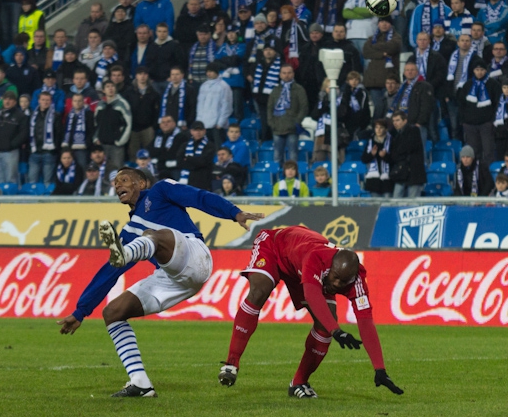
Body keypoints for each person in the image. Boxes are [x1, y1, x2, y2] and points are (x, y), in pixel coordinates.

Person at [57, 167, 262, 396]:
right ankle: (140, 383)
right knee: (113, 312)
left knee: (153, 235)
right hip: (172, 278)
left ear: (141, 183)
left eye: (124, 180)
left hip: (194, 255)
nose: (118, 186)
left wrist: (233, 213)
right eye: (115, 184)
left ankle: (125, 254)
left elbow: (198, 197)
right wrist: (81, 311)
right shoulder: (129, 231)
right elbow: (109, 272)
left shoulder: (161, 191)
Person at [219, 226, 403, 398]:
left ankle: (299, 383)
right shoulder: (316, 258)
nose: (338, 285)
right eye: (336, 278)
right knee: (260, 290)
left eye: (343, 282)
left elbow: (365, 320)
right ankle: (231, 363)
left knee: (325, 323)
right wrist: (336, 330)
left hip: (298, 263)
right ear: (331, 268)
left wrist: (380, 368)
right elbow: (312, 294)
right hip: (274, 246)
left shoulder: (357, 280)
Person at [457, 58, 500, 164]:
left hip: (486, 124)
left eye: (482, 70)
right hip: (470, 125)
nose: (479, 72)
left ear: (486, 71)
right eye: (477, 70)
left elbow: (497, 104)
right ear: (473, 71)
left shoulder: (493, 84)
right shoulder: (467, 85)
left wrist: (492, 121)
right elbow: (461, 104)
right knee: (474, 153)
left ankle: (489, 177)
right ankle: (476, 176)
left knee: (488, 151)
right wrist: (464, 121)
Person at [0, 90, 26, 184]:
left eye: (10, 99)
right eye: (6, 99)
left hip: (10, 152)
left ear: (15, 102)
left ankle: (11, 198)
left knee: (11, 179)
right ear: (2, 100)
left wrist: (11, 145)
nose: (7, 101)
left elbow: (23, 134)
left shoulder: (20, 116)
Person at [268, 64, 308, 164]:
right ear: (280, 75)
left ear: (293, 74)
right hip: (277, 128)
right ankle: (277, 178)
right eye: (284, 73)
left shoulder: (299, 89)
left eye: (289, 73)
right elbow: (269, 108)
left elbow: (304, 107)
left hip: (292, 129)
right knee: (277, 156)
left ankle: (293, 178)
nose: (287, 75)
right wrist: (271, 123)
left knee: (293, 156)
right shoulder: (275, 90)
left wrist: (296, 122)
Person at [388, 110, 426, 198]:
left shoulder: (413, 130)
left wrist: (397, 151)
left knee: (412, 203)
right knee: (396, 199)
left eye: (397, 120)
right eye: (393, 121)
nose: (395, 123)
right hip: (401, 173)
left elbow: (407, 147)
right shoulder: (395, 134)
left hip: (414, 173)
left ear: (405, 121)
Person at [28, 91, 62, 185]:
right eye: (43, 100)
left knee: (48, 181)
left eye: (47, 100)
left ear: (51, 101)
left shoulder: (56, 115)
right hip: (35, 152)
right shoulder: (32, 115)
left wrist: (54, 149)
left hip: (49, 153)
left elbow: (59, 134)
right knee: (32, 181)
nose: (45, 102)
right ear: (39, 101)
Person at [196, 62, 232, 147]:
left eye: (211, 71)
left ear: (216, 72)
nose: (208, 73)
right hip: (204, 125)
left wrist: (220, 123)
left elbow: (227, 106)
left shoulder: (224, 86)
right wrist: (199, 122)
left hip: (217, 126)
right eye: (207, 71)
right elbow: (199, 105)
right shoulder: (203, 86)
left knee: (218, 150)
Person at [177, 121, 216, 191]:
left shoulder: (210, 145)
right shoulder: (184, 145)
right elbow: (179, 161)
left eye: (200, 130)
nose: (198, 132)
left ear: (204, 131)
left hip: (203, 181)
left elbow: (204, 161)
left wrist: (188, 158)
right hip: (188, 180)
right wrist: (196, 162)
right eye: (195, 130)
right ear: (191, 131)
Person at [361, 119, 394, 197]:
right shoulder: (370, 142)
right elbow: (364, 159)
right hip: (373, 182)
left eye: (381, 128)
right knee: (376, 206)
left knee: (387, 206)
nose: (378, 130)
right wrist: (371, 154)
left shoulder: (392, 141)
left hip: (387, 181)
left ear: (386, 129)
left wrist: (385, 156)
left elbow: (394, 159)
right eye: (376, 127)